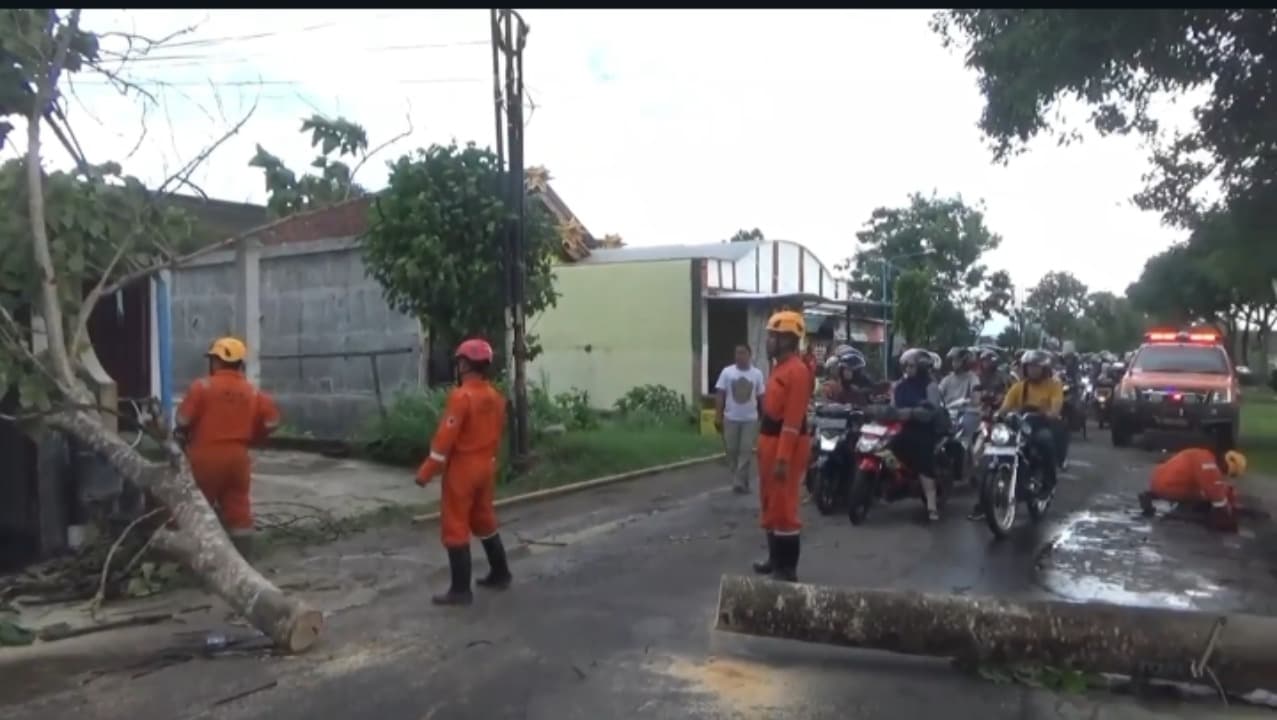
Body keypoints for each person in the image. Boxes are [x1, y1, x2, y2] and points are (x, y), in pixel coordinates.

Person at [415, 338, 511, 606]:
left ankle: (460, 590)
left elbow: (445, 439)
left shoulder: (461, 397)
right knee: (484, 520)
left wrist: (426, 472)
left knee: (455, 525)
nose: (457, 366)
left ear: (466, 364)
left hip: (463, 470)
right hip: (487, 466)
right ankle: (501, 573)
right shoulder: (495, 396)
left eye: (459, 362)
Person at [175, 337, 281, 561]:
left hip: (205, 456)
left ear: (216, 362)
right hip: (238, 458)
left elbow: (183, 420)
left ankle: (200, 561)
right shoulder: (252, 392)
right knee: (239, 509)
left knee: (198, 507)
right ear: (239, 364)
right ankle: (243, 563)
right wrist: (255, 437)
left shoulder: (202, 387)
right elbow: (272, 422)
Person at [750, 310, 813, 583]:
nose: (768, 342)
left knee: (784, 506)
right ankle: (775, 559)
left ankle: (787, 569)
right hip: (769, 441)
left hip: (786, 445)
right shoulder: (780, 368)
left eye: (773, 337)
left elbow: (792, 420)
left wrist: (782, 458)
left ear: (787, 340)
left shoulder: (797, 372)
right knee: (769, 502)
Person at [997, 349, 1066, 491]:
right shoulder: (1019, 387)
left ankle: (1048, 481)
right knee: (998, 444)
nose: (1032, 370)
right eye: (1029, 366)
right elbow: (1005, 407)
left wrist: (1049, 413)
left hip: (1042, 425)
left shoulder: (1054, 385)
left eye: (1036, 367)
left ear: (1045, 369)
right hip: (1020, 425)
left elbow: (1056, 408)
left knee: (1045, 440)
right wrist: (998, 415)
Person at [890, 348, 945, 522]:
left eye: (911, 366)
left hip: (924, 429)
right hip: (902, 427)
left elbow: (932, 410)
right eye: (905, 365)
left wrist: (914, 413)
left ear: (921, 367)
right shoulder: (899, 385)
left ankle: (931, 505)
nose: (907, 369)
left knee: (923, 461)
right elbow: (892, 407)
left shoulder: (930, 385)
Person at [1139, 448, 1246, 532]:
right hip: (1170, 486)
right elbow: (1215, 493)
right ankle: (1184, 512)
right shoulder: (1208, 464)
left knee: (1204, 488)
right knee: (1208, 494)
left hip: (1158, 481)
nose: (1224, 475)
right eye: (1228, 473)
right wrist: (1226, 516)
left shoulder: (1202, 455)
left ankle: (1153, 495)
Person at [714, 344, 766, 495]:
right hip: (730, 418)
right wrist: (718, 415)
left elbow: (761, 396)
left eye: (742, 353)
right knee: (731, 451)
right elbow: (720, 394)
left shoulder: (757, 374)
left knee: (745, 450)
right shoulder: (727, 372)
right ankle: (741, 479)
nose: (739, 356)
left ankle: (739, 482)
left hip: (750, 419)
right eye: (737, 353)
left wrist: (765, 416)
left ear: (749, 356)